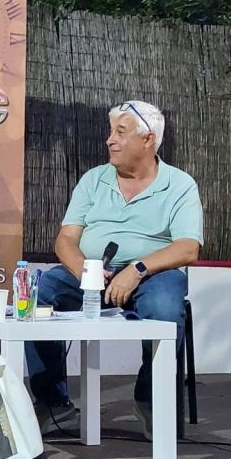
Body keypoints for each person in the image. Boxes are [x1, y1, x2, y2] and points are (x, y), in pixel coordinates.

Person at [27, 100, 203, 438]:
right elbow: (65, 239)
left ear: (148, 140)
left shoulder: (180, 185)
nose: (110, 140)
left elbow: (187, 247)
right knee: (41, 294)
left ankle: (150, 400)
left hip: (153, 274)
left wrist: (137, 269)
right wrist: (83, 270)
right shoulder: (93, 180)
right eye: (111, 132)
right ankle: (52, 401)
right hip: (94, 273)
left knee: (165, 309)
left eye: (120, 132)